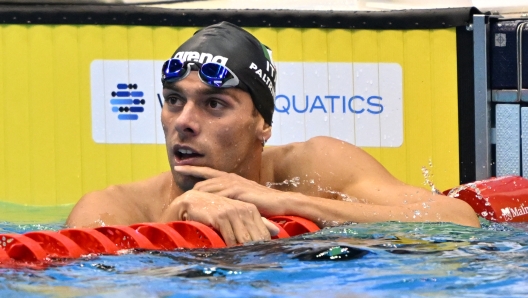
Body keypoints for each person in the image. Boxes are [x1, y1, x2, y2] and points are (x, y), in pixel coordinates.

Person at [67, 22, 480, 246]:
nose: (184, 121)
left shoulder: (316, 168)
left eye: (214, 104)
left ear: (262, 123)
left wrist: (289, 203)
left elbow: (457, 220)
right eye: (175, 100)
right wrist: (176, 218)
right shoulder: (113, 209)